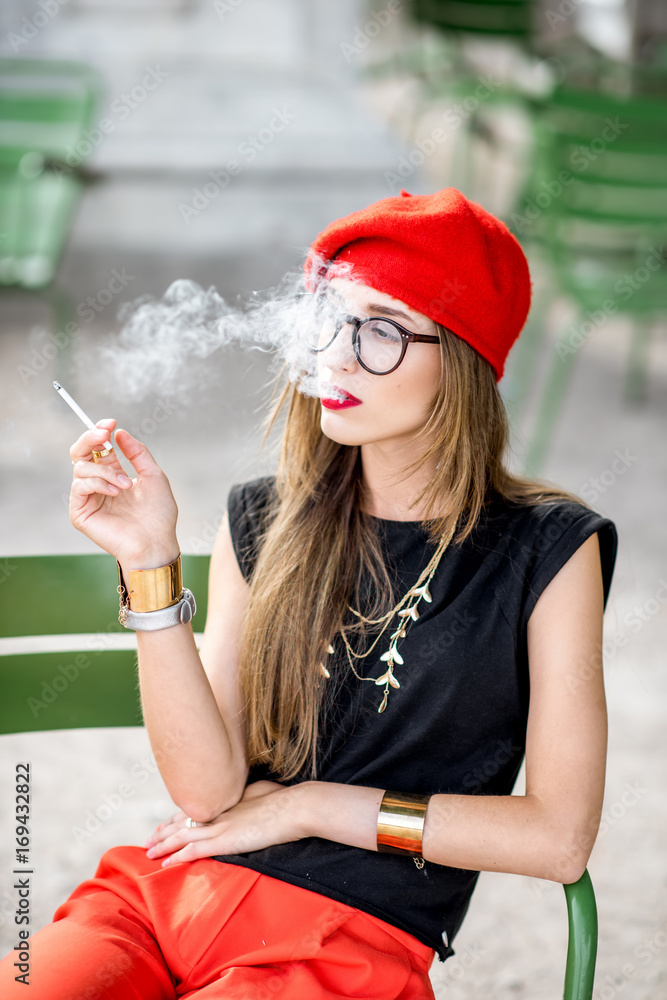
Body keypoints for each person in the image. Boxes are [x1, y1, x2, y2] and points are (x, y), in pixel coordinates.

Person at [1, 187, 618, 999]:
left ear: (464, 361)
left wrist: (310, 807)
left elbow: (557, 839)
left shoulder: (548, 549)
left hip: (342, 945)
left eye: (382, 332)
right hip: (160, 901)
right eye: (329, 318)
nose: (336, 355)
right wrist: (149, 559)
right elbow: (207, 792)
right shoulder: (261, 517)